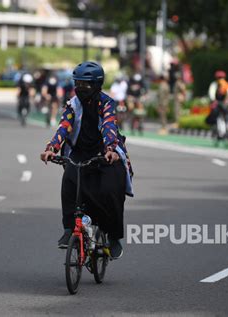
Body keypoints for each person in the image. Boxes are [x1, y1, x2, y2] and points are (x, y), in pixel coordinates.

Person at [40, 61, 134, 259]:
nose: (81, 89)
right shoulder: (73, 104)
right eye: (78, 84)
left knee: (110, 190)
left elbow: (109, 126)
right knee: (69, 182)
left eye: (86, 85)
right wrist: (52, 148)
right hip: (81, 152)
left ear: (97, 85)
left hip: (106, 153)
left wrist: (110, 149)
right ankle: (68, 229)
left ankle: (114, 237)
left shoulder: (107, 103)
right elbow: (63, 126)